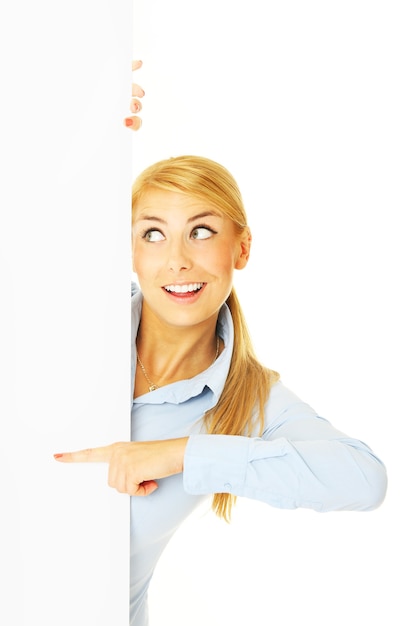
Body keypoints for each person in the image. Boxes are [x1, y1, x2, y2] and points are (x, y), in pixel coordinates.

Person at [54, 62, 388, 626]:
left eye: (202, 231)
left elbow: (364, 479)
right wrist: (69, 126)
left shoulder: (248, 400)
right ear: (130, 249)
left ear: (242, 248)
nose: (178, 259)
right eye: (152, 233)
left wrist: (182, 453)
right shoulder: (73, 320)